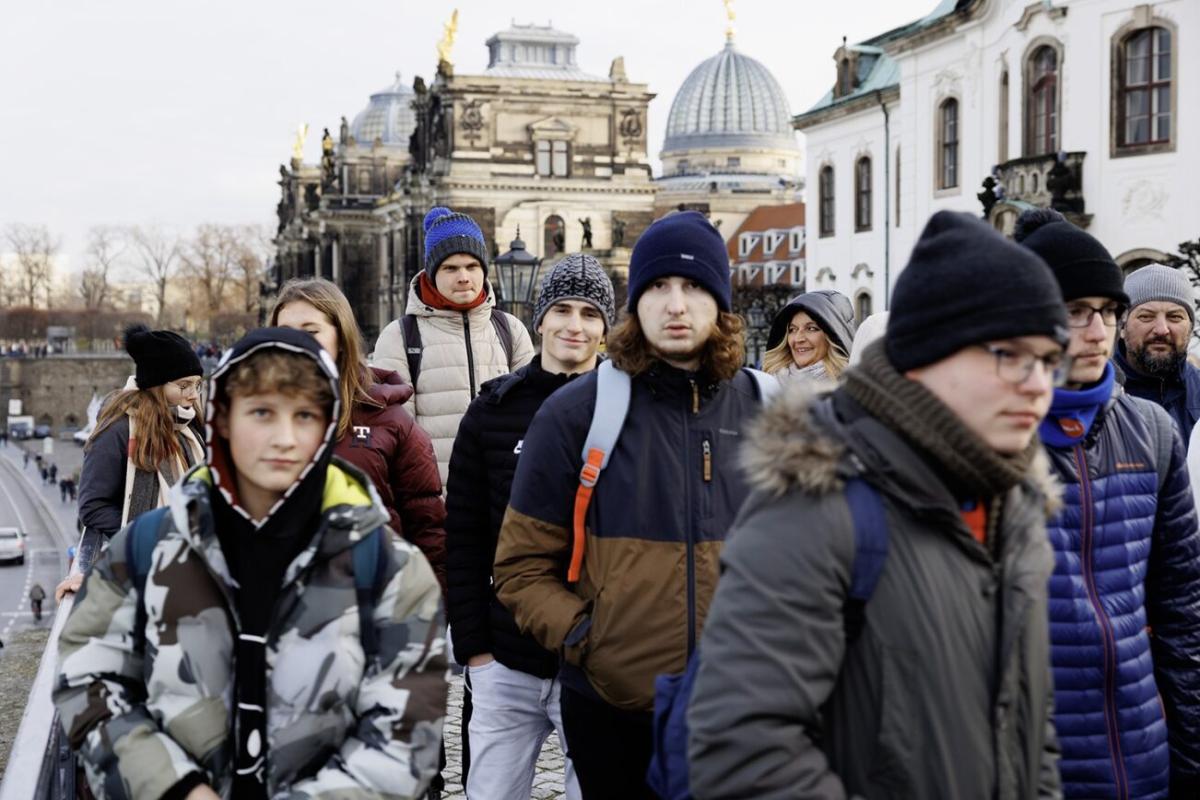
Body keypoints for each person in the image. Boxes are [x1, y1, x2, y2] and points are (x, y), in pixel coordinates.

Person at [687, 211, 1069, 799]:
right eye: (1009, 355)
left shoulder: (1015, 504)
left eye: (1047, 360)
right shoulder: (817, 504)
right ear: (928, 355)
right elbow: (743, 750)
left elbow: (1029, 729)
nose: (1038, 385)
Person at [54, 327, 448, 800]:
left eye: (304, 415)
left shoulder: (390, 569)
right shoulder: (145, 548)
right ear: (224, 421)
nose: (284, 437)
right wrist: (176, 787)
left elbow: (405, 733)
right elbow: (89, 679)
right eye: (262, 412)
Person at [493, 211, 769, 798]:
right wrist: (588, 638)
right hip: (613, 712)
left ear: (720, 302)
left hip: (741, 711)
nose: (676, 305)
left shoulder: (769, 411)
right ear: (636, 301)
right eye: (659, 285)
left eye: (694, 286)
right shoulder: (574, 414)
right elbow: (520, 567)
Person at [1014, 208, 1200, 799]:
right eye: (1075, 311)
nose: (1096, 331)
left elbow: (1181, 610)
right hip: (1032, 761)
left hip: (1140, 755)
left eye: (1107, 310)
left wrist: (1189, 755)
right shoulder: (988, 439)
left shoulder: (1152, 433)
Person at [447, 254, 615, 800]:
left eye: (590, 314)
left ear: (605, 329)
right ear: (540, 319)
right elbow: (464, 536)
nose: (574, 325)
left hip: (595, 660)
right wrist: (475, 650)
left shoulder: (629, 412)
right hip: (506, 658)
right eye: (562, 309)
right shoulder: (492, 410)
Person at [271, 277, 448, 592]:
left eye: (311, 332)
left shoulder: (389, 420)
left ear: (341, 337)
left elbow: (427, 527)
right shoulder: (250, 421)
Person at [372, 207, 534, 484]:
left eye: (472, 266)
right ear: (432, 273)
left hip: (503, 491)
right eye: (450, 268)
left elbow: (531, 416)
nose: (463, 277)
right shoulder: (400, 336)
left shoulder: (511, 330)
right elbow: (393, 433)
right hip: (433, 493)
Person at [78, 325, 205, 541]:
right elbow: (93, 506)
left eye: (197, 384)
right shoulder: (118, 430)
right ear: (156, 385)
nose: (193, 395)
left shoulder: (189, 423)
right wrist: (143, 538)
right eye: (184, 385)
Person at [1115, 263, 1200, 443]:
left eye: (1174, 317)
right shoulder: (1093, 395)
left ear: (1191, 328)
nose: (1161, 330)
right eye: (1146, 316)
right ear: (1122, 326)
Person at [760, 290, 856, 385]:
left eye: (811, 329)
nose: (798, 339)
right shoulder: (766, 383)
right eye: (792, 329)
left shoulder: (851, 387)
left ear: (833, 336)